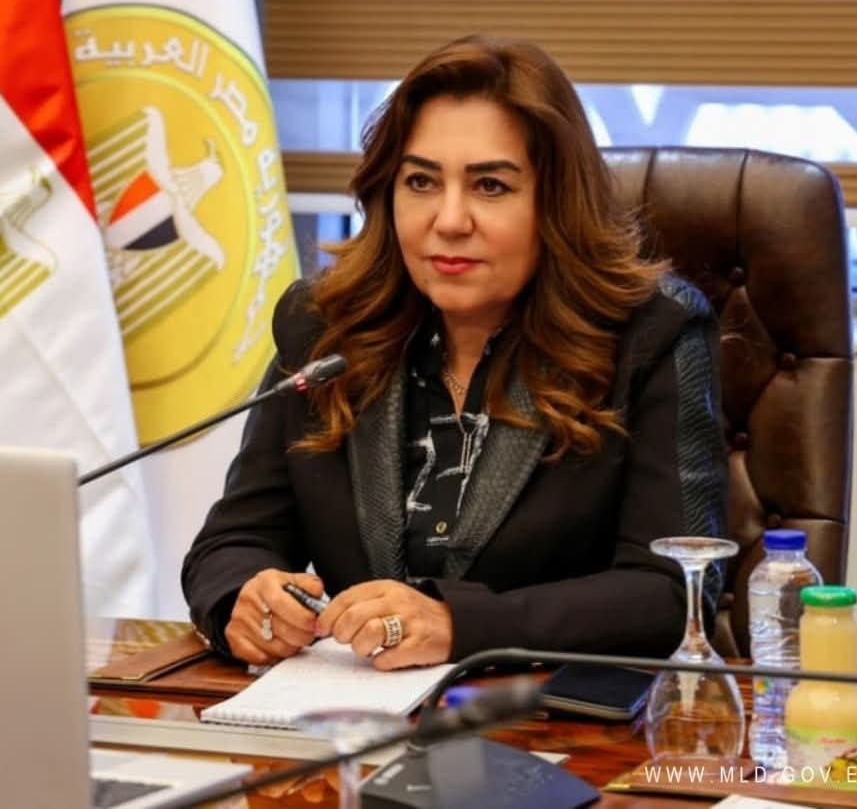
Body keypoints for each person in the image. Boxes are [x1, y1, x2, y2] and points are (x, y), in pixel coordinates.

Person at [181, 35, 728, 671]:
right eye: (420, 181)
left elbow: (672, 593)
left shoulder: (649, 334)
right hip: (348, 710)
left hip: (548, 712)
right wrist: (244, 599)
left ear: (555, 202)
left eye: (490, 186)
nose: (448, 220)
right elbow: (234, 542)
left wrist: (461, 625)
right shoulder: (327, 328)